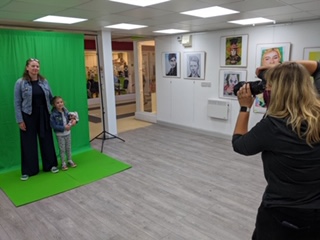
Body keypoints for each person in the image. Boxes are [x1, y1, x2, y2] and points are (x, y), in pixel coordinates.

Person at [232, 62, 320, 240]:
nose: (266, 88)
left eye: (269, 85)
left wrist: (244, 107)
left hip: (281, 213)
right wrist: (284, 68)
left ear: (278, 91)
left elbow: (240, 144)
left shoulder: (274, 126)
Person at [14, 58, 59, 181]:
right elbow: (17, 103)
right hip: (28, 116)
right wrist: (20, 120)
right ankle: (29, 170)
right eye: (33, 66)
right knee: (28, 143)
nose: (35, 68)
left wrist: (62, 110)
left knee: (47, 140)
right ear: (27, 68)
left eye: (37, 66)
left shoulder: (44, 81)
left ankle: (51, 165)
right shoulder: (20, 83)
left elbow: (51, 98)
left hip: (44, 114)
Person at [50, 96, 77, 171]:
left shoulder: (65, 110)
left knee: (68, 147)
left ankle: (69, 160)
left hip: (68, 133)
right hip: (60, 135)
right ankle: (63, 163)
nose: (60, 104)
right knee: (62, 149)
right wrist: (64, 127)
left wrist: (74, 120)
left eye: (61, 102)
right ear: (54, 104)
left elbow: (70, 117)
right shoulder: (53, 114)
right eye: (57, 103)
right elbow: (53, 125)